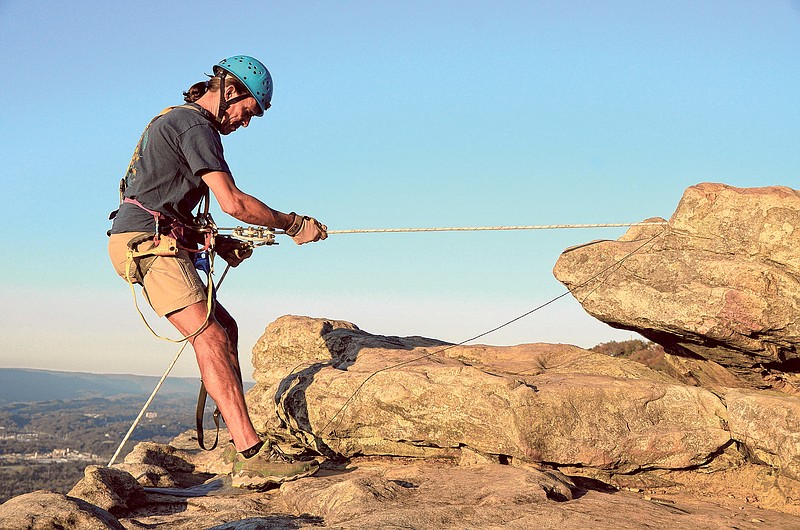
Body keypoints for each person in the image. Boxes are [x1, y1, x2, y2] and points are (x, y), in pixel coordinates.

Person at [107, 55, 327, 489]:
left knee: (225, 326)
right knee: (208, 335)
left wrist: (220, 243)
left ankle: (237, 433)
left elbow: (161, 197)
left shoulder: (180, 122)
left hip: (155, 238)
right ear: (230, 91)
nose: (245, 124)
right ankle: (250, 451)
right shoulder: (195, 126)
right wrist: (293, 224)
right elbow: (233, 203)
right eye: (247, 112)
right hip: (148, 245)